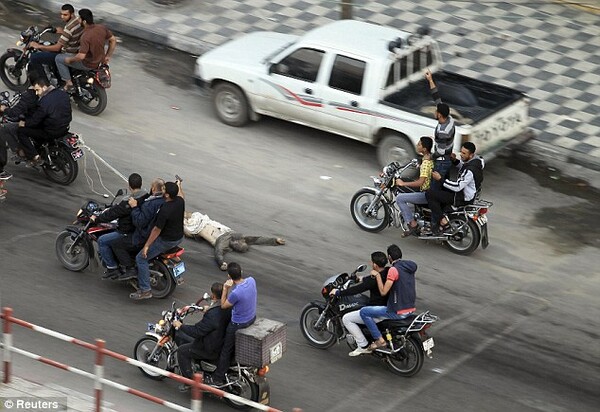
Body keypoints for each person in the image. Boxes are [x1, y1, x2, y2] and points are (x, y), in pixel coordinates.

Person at [130, 181, 184, 300]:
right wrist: (179, 185)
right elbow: (181, 194)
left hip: (166, 240)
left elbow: (156, 230)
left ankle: (145, 290)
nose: (162, 190)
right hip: (179, 237)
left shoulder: (165, 209)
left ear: (167, 195)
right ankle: (176, 271)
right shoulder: (180, 201)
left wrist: (146, 246)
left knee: (140, 258)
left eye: (164, 189)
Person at [173, 282, 232, 392]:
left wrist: (181, 325)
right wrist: (207, 308)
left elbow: (197, 331)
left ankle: (189, 381)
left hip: (211, 347)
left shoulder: (212, 315)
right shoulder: (228, 306)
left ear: (213, 296)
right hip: (222, 341)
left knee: (182, 351)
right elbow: (217, 310)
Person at [329, 251, 389, 357]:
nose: (370, 263)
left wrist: (338, 292)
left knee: (346, 318)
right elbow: (370, 280)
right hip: (388, 308)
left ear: (375, 264)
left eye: (371, 262)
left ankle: (363, 345)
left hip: (377, 311)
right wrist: (361, 278)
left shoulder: (374, 279)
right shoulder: (388, 272)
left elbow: (356, 290)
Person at [359, 244, 417, 350]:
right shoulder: (408, 267)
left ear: (389, 257)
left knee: (364, 312)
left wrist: (377, 276)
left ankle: (379, 340)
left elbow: (383, 292)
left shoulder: (393, 270)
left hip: (398, 311)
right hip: (410, 308)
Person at [184, 211, 285, 271]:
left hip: (197, 229)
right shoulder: (237, 236)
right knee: (187, 213)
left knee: (182, 223)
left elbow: (218, 253)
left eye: (238, 245)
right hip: (208, 223)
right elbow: (257, 239)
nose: (238, 242)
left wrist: (221, 263)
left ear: (234, 246)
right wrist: (275, 240)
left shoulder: (222, 243)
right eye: (240, 242)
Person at [90, 173, 147, 279]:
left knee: (102, 240)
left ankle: (112, 268)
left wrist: (96, 219)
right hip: (140, 230)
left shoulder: (128, 202)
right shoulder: (146, 196)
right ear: (141, 184)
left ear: (129, 186)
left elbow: (112, 214)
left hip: (127, 232)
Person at [209, 262, 257, 385]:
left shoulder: (236, 293)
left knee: (226, 349)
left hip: (238, 324)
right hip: (251, 318)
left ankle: (218, 377)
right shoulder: (252, 281)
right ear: (241, 272)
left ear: (229, 276)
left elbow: (224, 305)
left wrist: (225, 288)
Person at [110, 178, 165, 281]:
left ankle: (130, 269)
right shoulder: (165, 200)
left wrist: (134, 207)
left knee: (116, 244)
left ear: (153, 188)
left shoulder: (150, 204)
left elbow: (140, 222)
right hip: (157, 234)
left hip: (143, 235)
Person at [426, 141, 484, 235]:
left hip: (461, 197)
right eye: (461, 152)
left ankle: (442, 220)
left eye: (464, 153)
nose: (461, 154)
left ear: (471, 155)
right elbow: (463, 166)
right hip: (468, 193)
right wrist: (455, 161)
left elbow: (457, 187)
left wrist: (440, 179)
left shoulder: (470, 171)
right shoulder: (476, 162)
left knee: (430, 194)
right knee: (441, 190)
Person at [55, 8, 117, 90]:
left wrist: (70, 60)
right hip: (99, 61)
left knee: (59, 58)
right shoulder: (101, 28)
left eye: (80, 18)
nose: (78, 20)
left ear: (84, 21)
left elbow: (81, 56)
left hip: (87, 64)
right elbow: (113, 40)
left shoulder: (85, 36)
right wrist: (108, 56)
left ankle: (68, 83)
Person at [16, 75, 71, 163]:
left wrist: (24, 124)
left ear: (44, 87)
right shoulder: (62, 93)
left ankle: (34, 156)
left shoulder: (44, 102)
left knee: (21, 131)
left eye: (37, 90)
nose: (37, 93)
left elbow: (35, 121)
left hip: (51, 131)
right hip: (65, 127)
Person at [0, 74, 40, 179]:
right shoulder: (51, 92)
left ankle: (20, 152)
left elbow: (14, 112)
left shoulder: (29, 96)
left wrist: (4, 109)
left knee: (5, 128)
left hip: (35, 123)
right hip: (49, 122)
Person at [28, 4, 84, 79]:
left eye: (65, 15)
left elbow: (57, 48)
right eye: (61, 14)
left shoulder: (69, 27)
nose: (62, 17)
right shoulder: (78, 21)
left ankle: (44, 83)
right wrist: (63, 32)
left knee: (34, 57)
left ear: (72, 14)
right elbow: (73, 34)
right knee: (51, 46)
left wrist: (38, 46)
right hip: (75, 49)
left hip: (68, 53)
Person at [394, 136, 434, 236]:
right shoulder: (429, 158)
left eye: (419, 144)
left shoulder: (426, 163)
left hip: (425, 193)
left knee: (400, 198)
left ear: (424, 149)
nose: (417, 145)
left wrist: (403, 183)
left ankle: (413, 224)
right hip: (430, 189)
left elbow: (421, 182)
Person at [425, 69, 455, 190]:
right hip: (447, 158)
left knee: (434, 189)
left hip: (442, 161)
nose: (434, 111)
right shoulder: (449, 118)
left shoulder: (443, 131)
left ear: (439, 115)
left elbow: (441, 152)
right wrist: (430, 80)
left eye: (436, 111)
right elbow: (437, 97)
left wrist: (430, 157)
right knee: (445, 186)